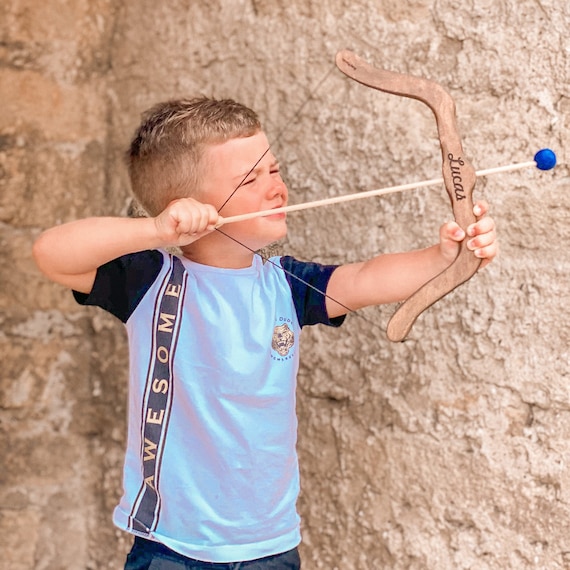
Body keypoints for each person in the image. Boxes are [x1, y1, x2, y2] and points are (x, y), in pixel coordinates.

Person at [32, 97, 497, 569]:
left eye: (273, 171)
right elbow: (52, 253)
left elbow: (367, 279)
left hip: (270, 547)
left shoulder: (286, 285)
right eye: (250, 179)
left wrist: (446, 257)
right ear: (188, 206)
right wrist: (156, 230)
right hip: (173, 547)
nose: (276, 188)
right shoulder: (149, 279)